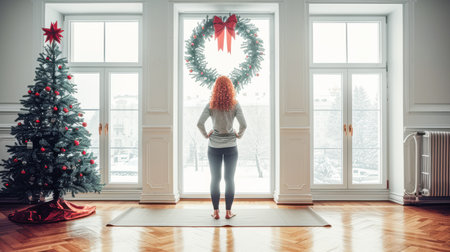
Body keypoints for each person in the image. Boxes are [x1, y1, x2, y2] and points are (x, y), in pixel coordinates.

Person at [197, 76, 247, 219]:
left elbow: (199, 123)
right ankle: (228, 212)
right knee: (229, 179)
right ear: (230, 88)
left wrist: (207, 134)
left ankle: (216, 212)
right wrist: (239, 135)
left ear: (216, 89)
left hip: (214, 147)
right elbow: (244, 125)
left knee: (215, 179)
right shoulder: (235, 105)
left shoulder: (211, 105)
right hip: (231, 146)